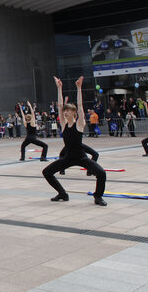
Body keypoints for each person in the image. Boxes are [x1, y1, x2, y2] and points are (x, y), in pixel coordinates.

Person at [42, 76, 107, 206]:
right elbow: (60, 105)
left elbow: (80, 106)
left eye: (68, 111)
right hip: (68, 158)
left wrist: (78, 88)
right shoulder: (64, 125)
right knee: (47, 172)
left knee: (101, 173)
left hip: (81, 157)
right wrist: (59, 88)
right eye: (64, 111)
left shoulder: (79, 124)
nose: (65, 112)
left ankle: (98, 197)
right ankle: (62, 194)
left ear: (74, 113)